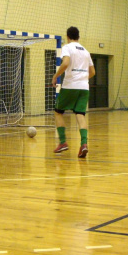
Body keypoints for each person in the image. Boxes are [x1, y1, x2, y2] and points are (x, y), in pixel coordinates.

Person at [51, 27, 95, 158]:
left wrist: (55, 76)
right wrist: (81, 79)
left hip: (70, 86)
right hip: (84, 87)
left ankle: (63, 142)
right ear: (78, 37)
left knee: (58, 112)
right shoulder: (86, 51)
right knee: (80, 115)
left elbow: (65, 63)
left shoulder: (67, 47)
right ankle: (84, 144)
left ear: (68, 36)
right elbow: (92, 72)